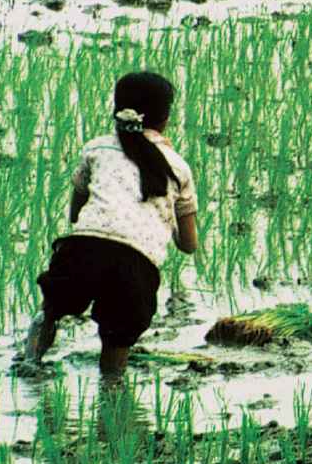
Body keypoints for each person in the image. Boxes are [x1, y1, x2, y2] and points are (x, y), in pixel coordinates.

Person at [20, 71, 200, 378]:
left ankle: (30, 363)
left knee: (49, 311)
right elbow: (188, 245)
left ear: (117, 108)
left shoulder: (97, 148)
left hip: (83, 249)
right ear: (166, 118)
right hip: (135, 265)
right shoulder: (177, 166)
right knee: (116, 349)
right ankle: (112, 409)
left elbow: (76, 214)